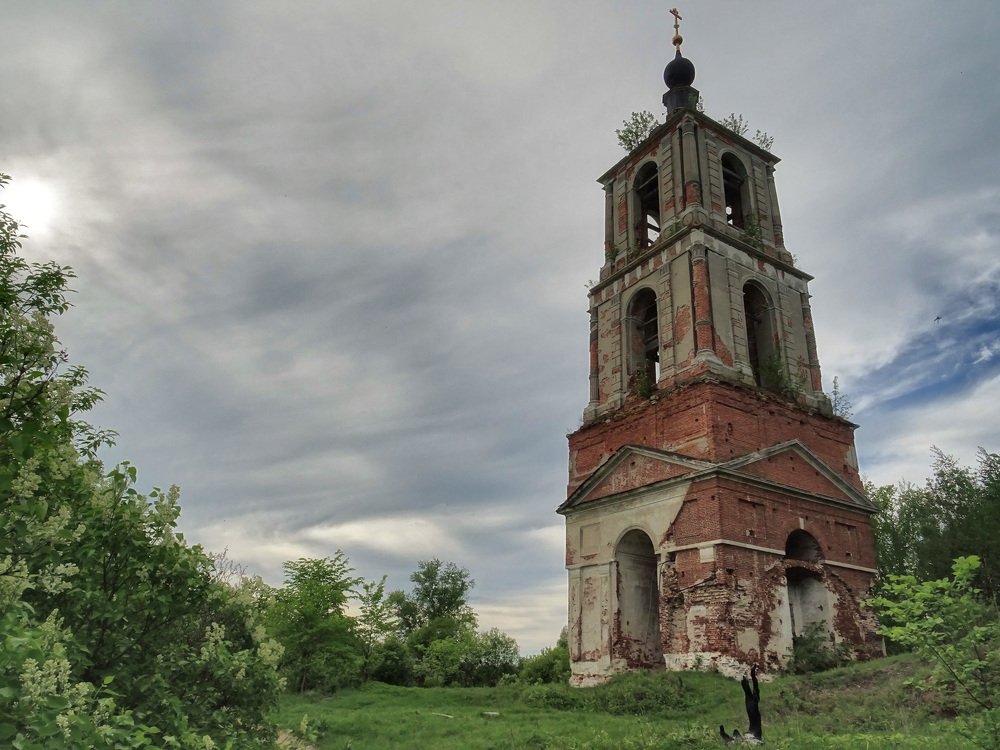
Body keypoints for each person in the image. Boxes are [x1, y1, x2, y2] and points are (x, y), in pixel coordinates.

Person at [719, 664, 762, 744]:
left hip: (754, 734)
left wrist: (752, 673)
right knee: (744, 739)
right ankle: (729, 738)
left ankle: (730, 739)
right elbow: (755, 687)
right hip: (752, 733)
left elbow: (755, 686)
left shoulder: (754, 700)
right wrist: (752, 674)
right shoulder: (750, 699)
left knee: (745, 740)